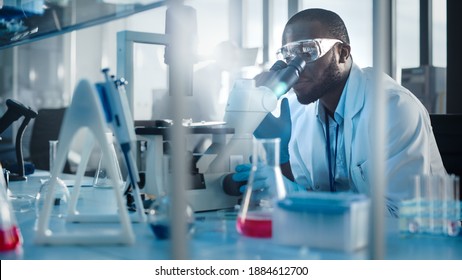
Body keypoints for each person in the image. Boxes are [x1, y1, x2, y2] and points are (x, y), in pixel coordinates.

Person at [233, 8, 447, 217]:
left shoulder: (394, 108)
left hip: (426, 243)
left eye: (308, 52)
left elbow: (400, 216)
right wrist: (280, 161)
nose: (296, 69)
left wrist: (296, 195)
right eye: (288, 57)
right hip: (339, 240)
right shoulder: (297, 112)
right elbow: (304, 193)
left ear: (343, 53)